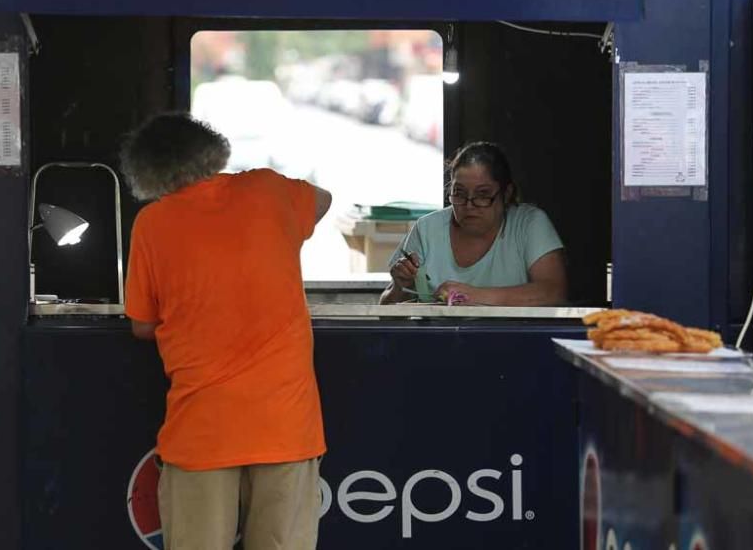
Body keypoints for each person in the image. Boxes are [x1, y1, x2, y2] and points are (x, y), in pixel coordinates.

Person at [120, 113, 332, 550]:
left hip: (203, 429)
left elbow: (142, 324)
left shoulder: (152, 224)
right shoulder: (269, 190)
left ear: (147, 171)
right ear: (212, 150)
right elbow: (324, 200)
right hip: (285, 426)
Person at [380, 141, 567, 306]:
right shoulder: (427, 229)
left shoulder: (528, 224)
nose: (469, 205)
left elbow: (553, 292)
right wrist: (399, 286)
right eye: (459, 193)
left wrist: (474, 296)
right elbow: (387, 311)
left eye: (483, 195)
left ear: (507, 193)